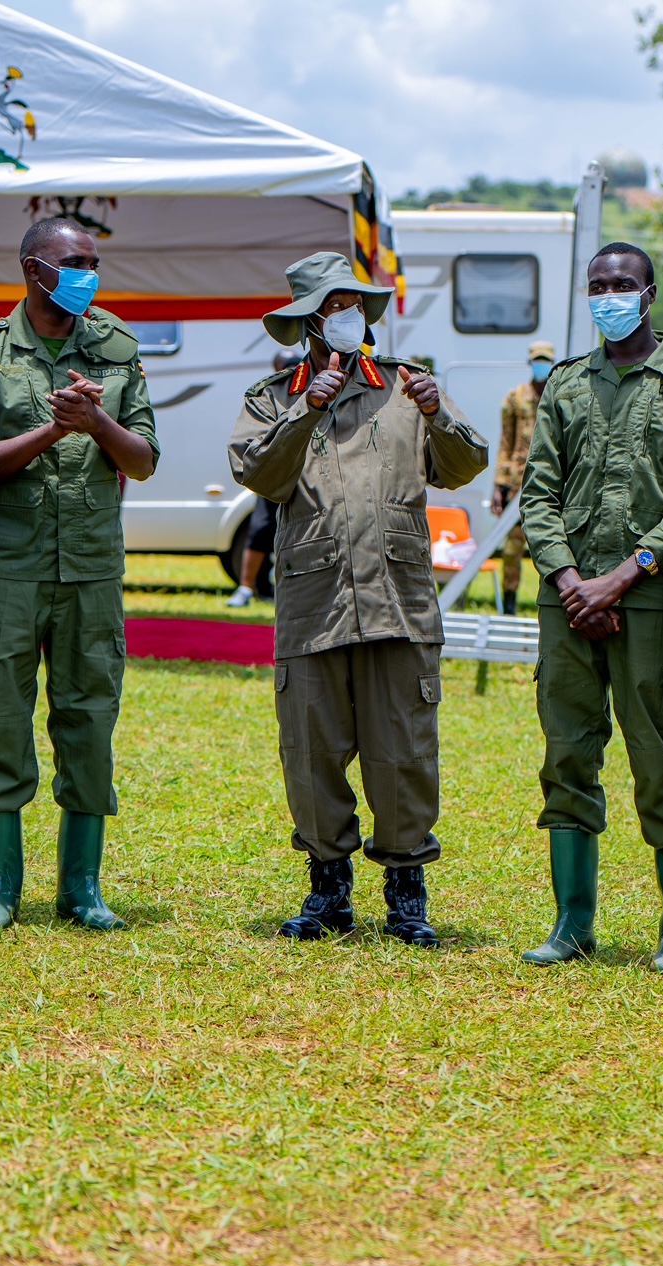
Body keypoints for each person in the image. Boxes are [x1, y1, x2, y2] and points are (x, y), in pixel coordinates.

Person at [231, 254, 487, 945]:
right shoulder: (274, 395)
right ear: (309, 321)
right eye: (334, 305)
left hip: (398, 599)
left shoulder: (407, 386)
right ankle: (328, 888)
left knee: (403, 748)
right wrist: (307, 410)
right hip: (315, 601)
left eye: (355, 304)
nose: (349, 316)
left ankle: (407, 889)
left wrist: (438, 415)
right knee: (311, 748)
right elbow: (259, 473)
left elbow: (466, 466)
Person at [520, 242, 663, 971]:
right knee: (567, 753)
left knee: (660, 756)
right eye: (598, 285)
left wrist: (625, 575)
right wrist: (571, 578)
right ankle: (571, 924)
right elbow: (538, 490)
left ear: (649, 294)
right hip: (568, 600)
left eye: (622, 284)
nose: (608, 295)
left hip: (647, 600)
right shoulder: (568, 384)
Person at [0, 217, 159, 932]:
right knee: (3, 714)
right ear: (34, 270)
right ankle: (1, 888)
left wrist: (98, 425)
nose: (88, 274)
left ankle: (83, 888)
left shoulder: (117, 346)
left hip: (91, 564)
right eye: (74, 262)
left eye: (95, 262)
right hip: (8, 564)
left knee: (90, 714)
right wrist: (52, 431)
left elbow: (144, 459)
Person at [224, 349, 300, 609]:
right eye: (285, 365)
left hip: (300, 477)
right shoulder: (268, 393)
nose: (290, 370)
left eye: (294, 364)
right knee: (259, 530)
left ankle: (285, 587)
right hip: (271, 474)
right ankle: (245, 587)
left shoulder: (310, 391)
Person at [493, 341, 554, 617]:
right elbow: (506, 442)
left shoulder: (559, 395)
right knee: (511, 549)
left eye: (545, 361)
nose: (541, 366)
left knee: (551, 549)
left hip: (552, 487)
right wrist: (499, 485)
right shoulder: (515, 398)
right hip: (518, 484)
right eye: (537, 360)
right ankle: (509, 602)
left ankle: (551, 604)